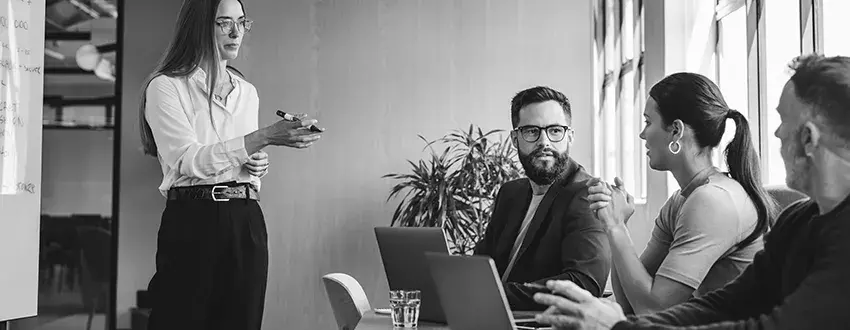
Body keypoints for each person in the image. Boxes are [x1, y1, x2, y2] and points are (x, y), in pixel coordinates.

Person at [531, 54, 850, 329]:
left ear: (809, 138)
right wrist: (618, 324)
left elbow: (767, 327)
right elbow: (726, 305)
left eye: (782, 120)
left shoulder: (715, 200)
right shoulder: (798, 219)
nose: (777, 131)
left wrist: (619, 327)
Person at [139, 0, 323, 329]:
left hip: (246, 220)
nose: (236, 32)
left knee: (243, 322)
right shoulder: (166, 86)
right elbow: (188, 160)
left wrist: (255, 165)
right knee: (178, 321)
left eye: (241, 22)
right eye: (224, 23)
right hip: (193, 221)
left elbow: (239, 158)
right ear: (198, 26)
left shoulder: (247, 93)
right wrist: (263, 137)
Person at [582, 72, 778, 315]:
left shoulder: (712, 201)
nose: (642, 135)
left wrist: (616, 226)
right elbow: (629, 304)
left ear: (676, 130)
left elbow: (652, 310)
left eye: (648, 122)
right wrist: (615, 226)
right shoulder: (681, 200)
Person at [473, 86, 612, 311]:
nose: (544, 142)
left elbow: (584, 284)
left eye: (555, 130)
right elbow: (481, 263)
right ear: (515, 138)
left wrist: (494, 295)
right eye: (531, 131)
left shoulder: (587, 194)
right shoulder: (510, 193)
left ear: (570, 137)